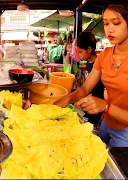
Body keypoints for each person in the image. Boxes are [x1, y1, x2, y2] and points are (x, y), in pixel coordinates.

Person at [55, 4, 128, 147]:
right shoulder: (105, 55)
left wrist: (106, 107)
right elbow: (85, 89)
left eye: (116, 23)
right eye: (106, 23)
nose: (109, 29)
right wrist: (67, 99)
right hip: (106, 122)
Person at [76, 31, 105, 127]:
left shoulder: (99, 65)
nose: (79, 55)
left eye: (80, 52)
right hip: (89, 103)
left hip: (97, 106)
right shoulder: (88, 63)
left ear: (89, 49)